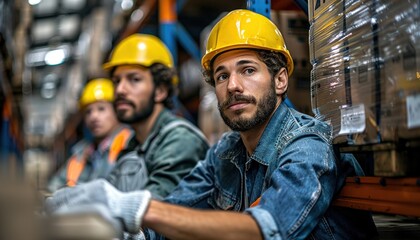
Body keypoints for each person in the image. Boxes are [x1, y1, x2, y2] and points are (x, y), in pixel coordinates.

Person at [46, 10, 378, 239]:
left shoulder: (306, 145)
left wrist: (134, 207)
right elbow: (173, 210)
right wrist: (120, 227)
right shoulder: (226, 152)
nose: (233, 85)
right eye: (222, 75)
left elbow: (268, 230)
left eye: (247, 70)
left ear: (279, 80)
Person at [102, 34, 209, 197]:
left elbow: (153, 208)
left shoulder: (180, 140)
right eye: (117, 81)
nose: (120, 90)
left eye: (134, 79)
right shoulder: (132, 145)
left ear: (160, 91)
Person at [47, 78, 133, 193]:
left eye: (101, 109)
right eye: (88, 112)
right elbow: (54, 187)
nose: (94, 117)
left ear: (117, 110)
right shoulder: (80, 153)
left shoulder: (131, 144)